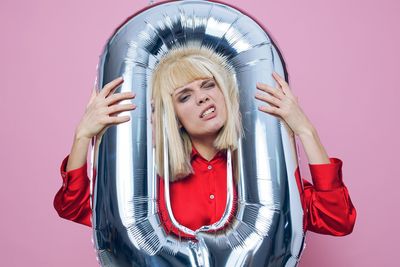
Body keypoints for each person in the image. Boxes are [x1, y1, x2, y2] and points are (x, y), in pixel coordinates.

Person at [54, 45, 356, 239]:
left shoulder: (260, 173)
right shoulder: (155, 183)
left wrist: (306, 130)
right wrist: (83, 135)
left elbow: (338, 220)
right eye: (185, 96)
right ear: (175, 117)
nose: (202, 97)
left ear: (224, 91)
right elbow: (75, 207)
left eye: (208, 84)